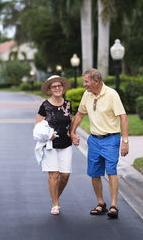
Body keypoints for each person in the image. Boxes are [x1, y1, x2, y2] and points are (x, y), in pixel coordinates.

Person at [70, 69, 129, 219]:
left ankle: (114, 206)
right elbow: (80, 114)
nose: (84, 85)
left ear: (96, 82)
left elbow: (123, 117)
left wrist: (125, 141)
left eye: (86, 81)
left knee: (111, 171)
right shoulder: (87, 94)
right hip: (94, 140)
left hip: (111, 139)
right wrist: (72, 132)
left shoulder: (111, 94)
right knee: (94, 173)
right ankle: (101, 204)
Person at [34, 75, 73, 215]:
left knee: (65, 175)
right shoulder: (45, 106)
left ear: (62, 88)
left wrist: (73, 134)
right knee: (54, 174)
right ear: (50, 90)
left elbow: (70, 122)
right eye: (54, 86)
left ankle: (54, 196)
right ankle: (55, 203)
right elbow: (37, 126)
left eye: (59, 86)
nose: (57, 88)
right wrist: (47, 135)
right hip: (50, 145)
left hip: (66, 144)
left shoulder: (68, 104)